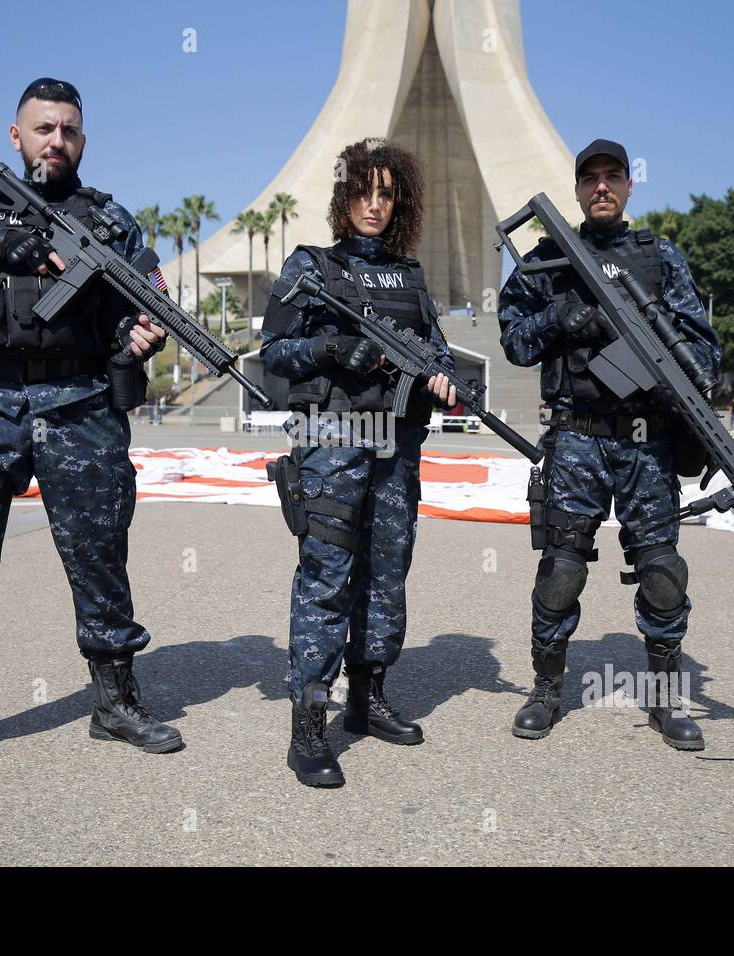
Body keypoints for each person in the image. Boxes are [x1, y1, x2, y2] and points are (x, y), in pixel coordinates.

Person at [0, 77, 177, 794]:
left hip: (81, 403)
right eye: (44, 128)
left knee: (100, 555)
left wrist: (139, 338)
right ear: (15, 137)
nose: (57, 140)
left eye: (69, 130)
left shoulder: (111, 223)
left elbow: (136, 310)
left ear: (84, 139)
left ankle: (114, 701)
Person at [497, 138, 721, 750]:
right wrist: (559, 320)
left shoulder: (659, 257)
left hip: (647, 445)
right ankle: (546, 691)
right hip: (575, 440)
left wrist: (661, 360)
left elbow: (704, 347)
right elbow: (514, 342)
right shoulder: (549, 259)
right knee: (562, 570)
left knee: (661, 571)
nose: (601, 186)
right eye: (590, 178)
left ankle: (664, 700)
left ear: (628, 186)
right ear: (575, 190)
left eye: (612, 177)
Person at [261, 138, 456, 787]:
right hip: (334, 439)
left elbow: (436, 348)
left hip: (394, 444)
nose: (374, 204)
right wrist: (332, 348)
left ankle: (366, 698)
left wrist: (447, 379)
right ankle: (308, 724)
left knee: (387, 571)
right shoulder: (310, 266)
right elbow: (274, 352)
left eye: (386, 193)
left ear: (398, 201)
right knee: (326, 576)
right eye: (362, 191)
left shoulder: (410, 276)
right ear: (344, 197)